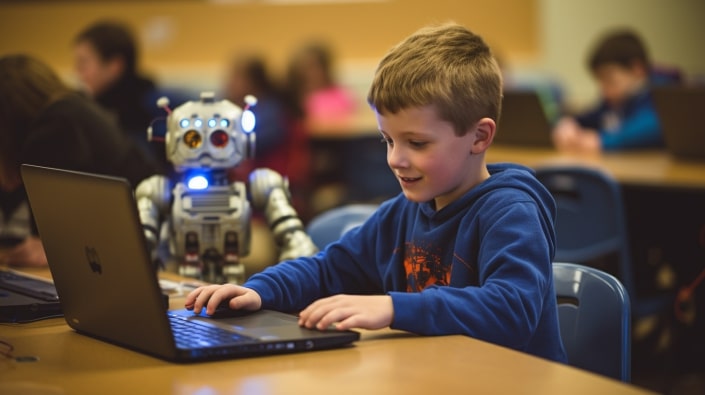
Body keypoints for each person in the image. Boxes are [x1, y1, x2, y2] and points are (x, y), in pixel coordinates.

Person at [185, 22, 568, 362]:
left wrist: (392, 308)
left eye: (416, 143)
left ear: (479, 136)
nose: (395, 159)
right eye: (388, 140)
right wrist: (259, 291)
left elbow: (512, 309)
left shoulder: (510, 210)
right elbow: (329, 268)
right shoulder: (402, 212)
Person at [0, 54, 160, 267]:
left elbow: (50, 245)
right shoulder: (72, 107)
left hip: (135, 248)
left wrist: (52, 247)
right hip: (142, 236)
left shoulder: (55, 125)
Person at [552, 29, 677, 153]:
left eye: (609, 79)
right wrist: (570, 123)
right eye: (600, 81)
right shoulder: (614, 102)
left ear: (637, 69)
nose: (604, 89)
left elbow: (653, 127)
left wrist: (602, 141)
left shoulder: (666, 96)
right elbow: (591, 117)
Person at [73, 19, 173, 174]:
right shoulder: (85, 108)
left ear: (115, 66)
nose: (78, 72)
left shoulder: (153, 109)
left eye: (84, 63)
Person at [284, 40, 358, 134]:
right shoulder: (291, 100)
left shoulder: (341, 95)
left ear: (325, 69)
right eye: (304, 69)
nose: (309, 74)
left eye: (313, 67)